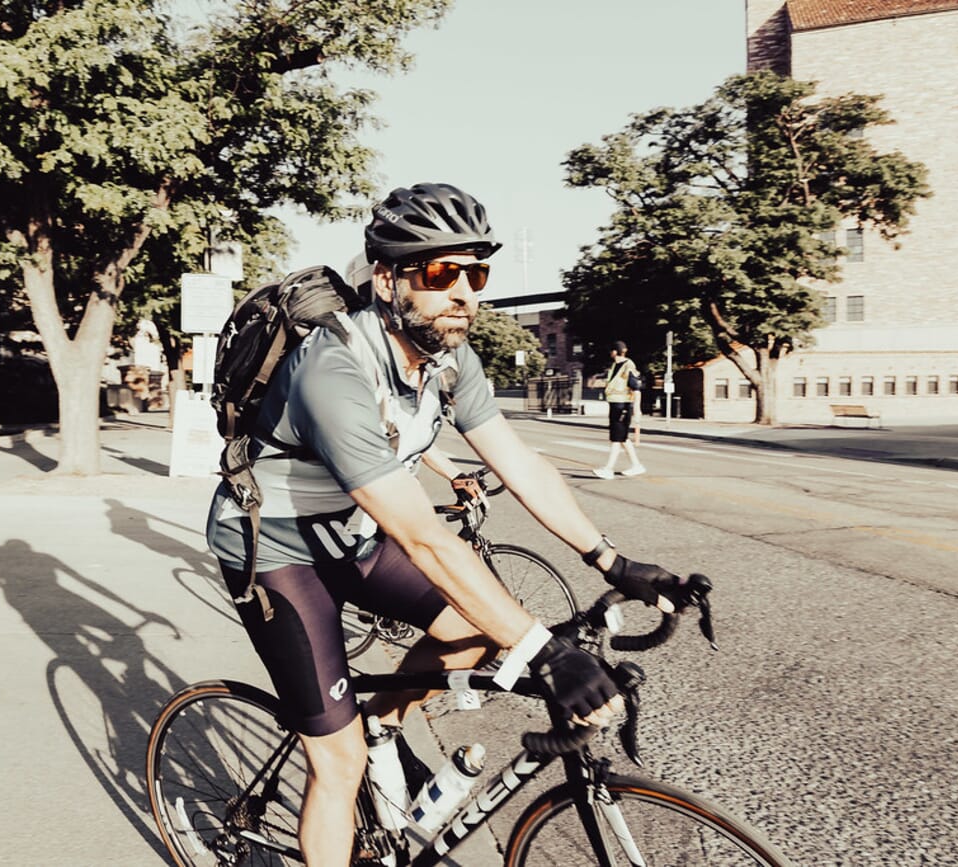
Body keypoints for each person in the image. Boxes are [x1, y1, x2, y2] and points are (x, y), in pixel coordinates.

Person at [206, 182, 693, 865]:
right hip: (277, 549)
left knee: (469, 637)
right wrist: (545, 653)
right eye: (441, 272)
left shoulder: (449, 358)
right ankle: (353, 753)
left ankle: (381, 726)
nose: (465, 290)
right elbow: (424, 538)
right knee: (337, 763)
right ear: (387, 278)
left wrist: (610, 559)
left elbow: (520, 463)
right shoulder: (333, 369)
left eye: (476, 271)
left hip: (348, 532)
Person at [594, 341, 647, 479]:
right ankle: (636, 466)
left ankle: (609, 469)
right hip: (615, 405)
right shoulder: (615, 366)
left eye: (611, 350)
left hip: (623, 406)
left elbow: (636, 389)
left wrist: (637, 410)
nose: (610, 353)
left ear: (614, 352)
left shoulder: (628, 366)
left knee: (616, 439)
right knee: (623, 438)